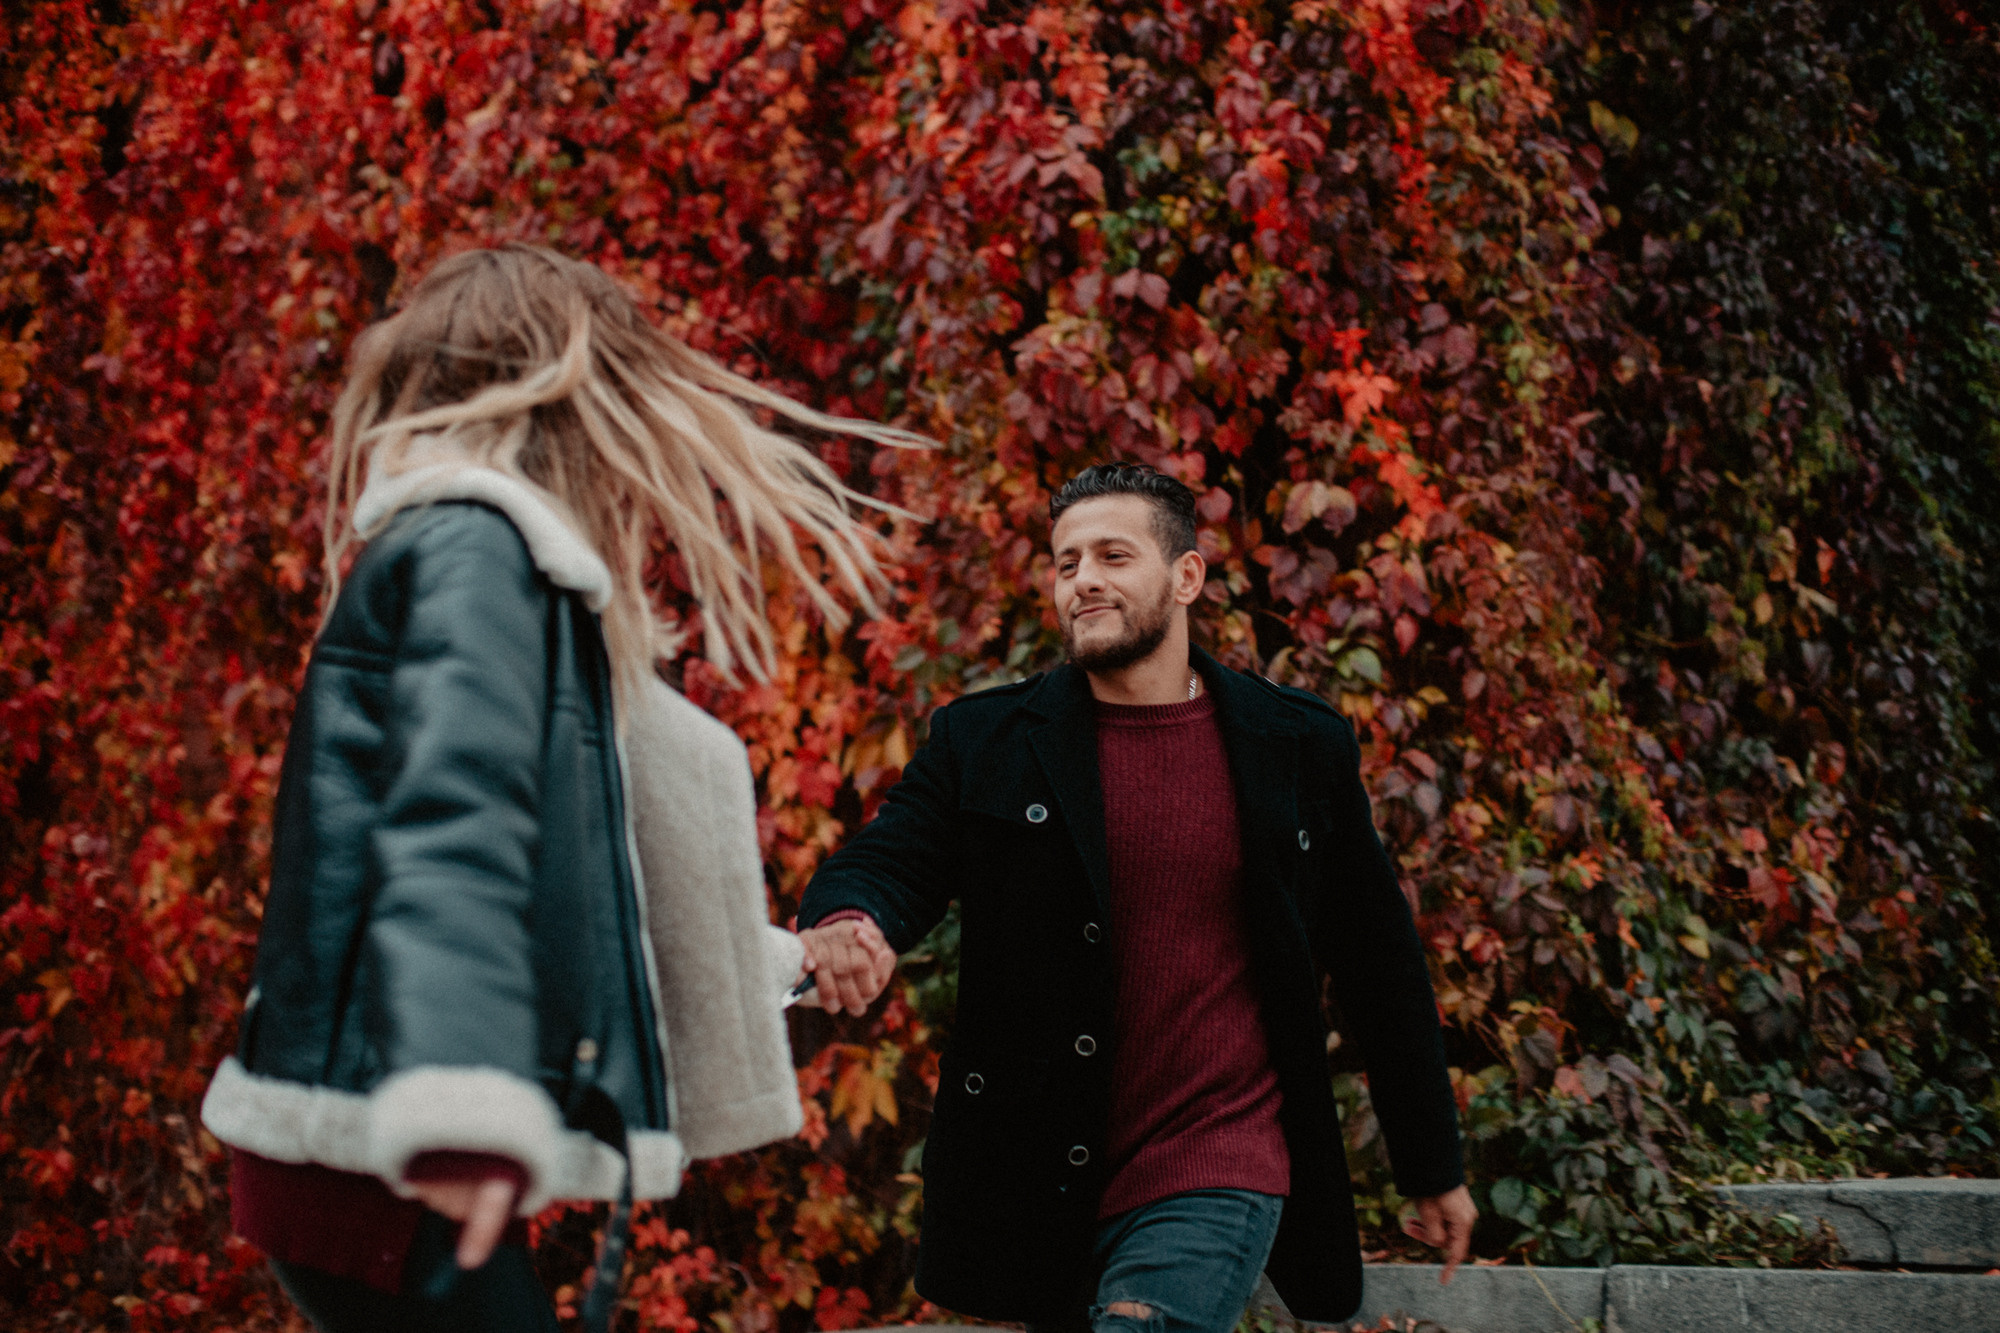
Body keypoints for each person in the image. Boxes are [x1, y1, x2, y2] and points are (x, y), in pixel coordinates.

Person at [199, 244, 927, 1332]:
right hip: (385, 1138)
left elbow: (585, 873)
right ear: (577, 401)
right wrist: (459, 1102)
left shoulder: (469, 553)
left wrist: (783, 958)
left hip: (363, 1128)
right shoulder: (475, 548)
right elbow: (454, 822)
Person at [796, 463, 1476, 1333]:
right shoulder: (987, 741)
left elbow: (1380, 962)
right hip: (1032, 1178)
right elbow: (892, 859)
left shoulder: (1294, 746)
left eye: (1113, 555)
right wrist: (853, 920)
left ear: (1185, 575)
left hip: (1218, 1157)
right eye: (1066, 561)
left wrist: (1432, 1161)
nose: (1083, 580)